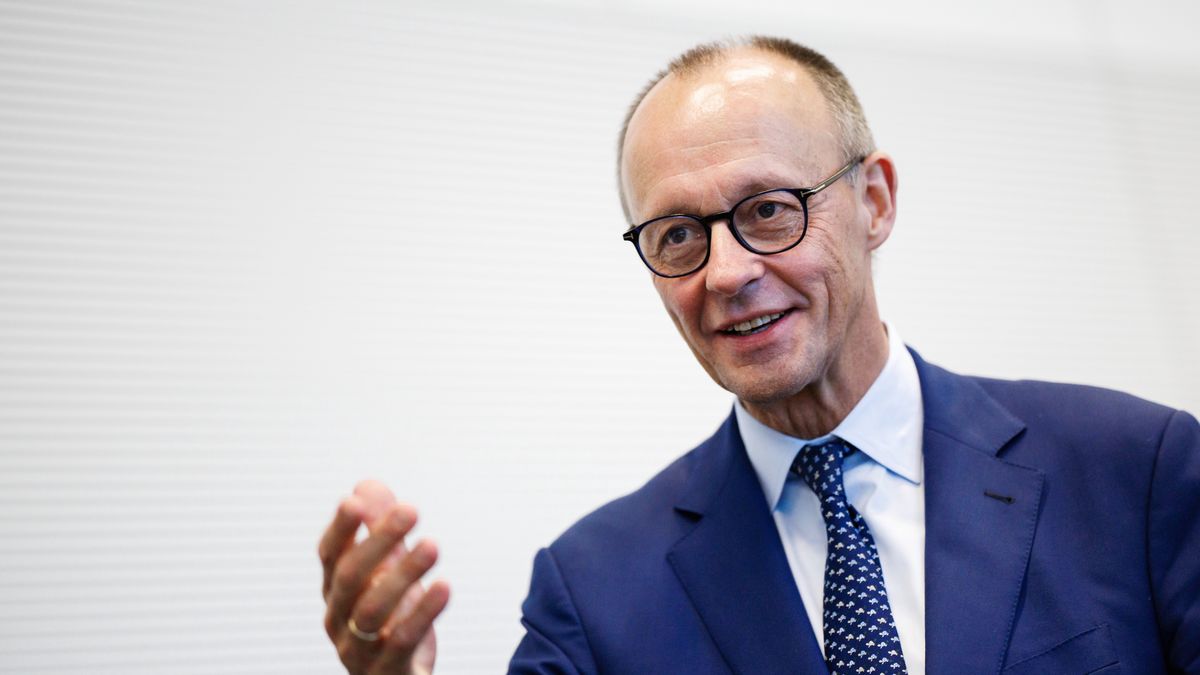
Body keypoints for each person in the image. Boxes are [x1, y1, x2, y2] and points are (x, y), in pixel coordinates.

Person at [317, 36, 1200, 674]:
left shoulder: (1136, 470)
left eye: (770, 208)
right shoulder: (592, 587)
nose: (729, 273)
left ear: (875, 201)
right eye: (676, 234)